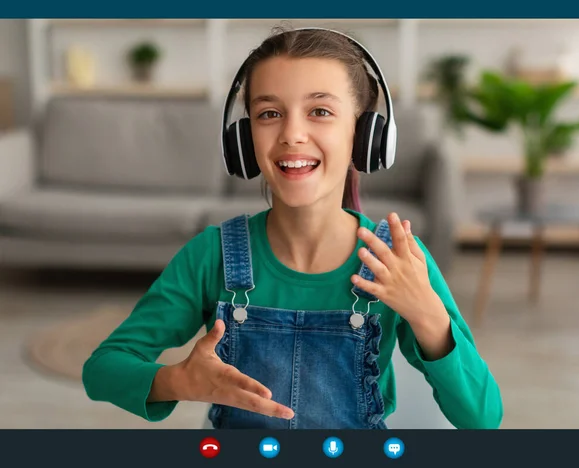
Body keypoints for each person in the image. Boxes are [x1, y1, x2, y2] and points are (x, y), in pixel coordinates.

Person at [82, 26, 503, 430]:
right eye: (269, 113)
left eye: (320, 111)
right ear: (244, 140)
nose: (292, 134)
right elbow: (103, 368)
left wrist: (428, 315)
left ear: (364, 135)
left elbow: (482, 418)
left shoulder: (398, 261)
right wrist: (177, 380)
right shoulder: (211, 256)